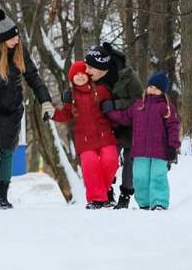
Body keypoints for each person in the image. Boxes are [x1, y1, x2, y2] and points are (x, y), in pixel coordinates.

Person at [0, 9, 54, 210]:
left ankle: (2, 198)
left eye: (17, 35)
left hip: (13, 110)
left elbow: (34, 78)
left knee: (7, 152)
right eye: (13, 37)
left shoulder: (19, 51)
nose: (17, 39)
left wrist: (46, 102)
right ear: (2, 39)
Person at [103, 71, 181, 210]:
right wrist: (109, 111)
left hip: (160, 151)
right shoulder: (138, 105)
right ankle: (144, 203)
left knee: (158, 177)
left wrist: (172, 146)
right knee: (140, 178)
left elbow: (173, 127)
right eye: (150, 86)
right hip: (140, 151)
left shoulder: (166, 107)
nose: (152, 90)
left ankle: (159, 203)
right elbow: (124, 117)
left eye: (156, 88)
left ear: (162, 91)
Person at [52, 61, 119, 209]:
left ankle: (104, 192)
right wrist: (52, 113)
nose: (80, 76)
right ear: (72, 78)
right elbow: (66, 115)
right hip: (85, 138)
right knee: (90, 165)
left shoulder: (101, 90)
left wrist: (116, 108)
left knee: (111, 160)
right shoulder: (71, 96)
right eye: (77, 75)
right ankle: (97, 199)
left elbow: (113, 103)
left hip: (105, 135)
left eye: (83, 73)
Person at [84, 43, 143, 209]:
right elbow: (79, 87)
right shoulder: (94, 78)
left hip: (132, 127)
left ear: (102, 66)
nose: (87, 71)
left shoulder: (129, 77)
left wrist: (116, 104)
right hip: (110, 128)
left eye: (90, 67)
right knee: (107, 160)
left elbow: (140, 100)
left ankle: (125, 195)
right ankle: (106, 193)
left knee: (129, 163)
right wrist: (71, 95)